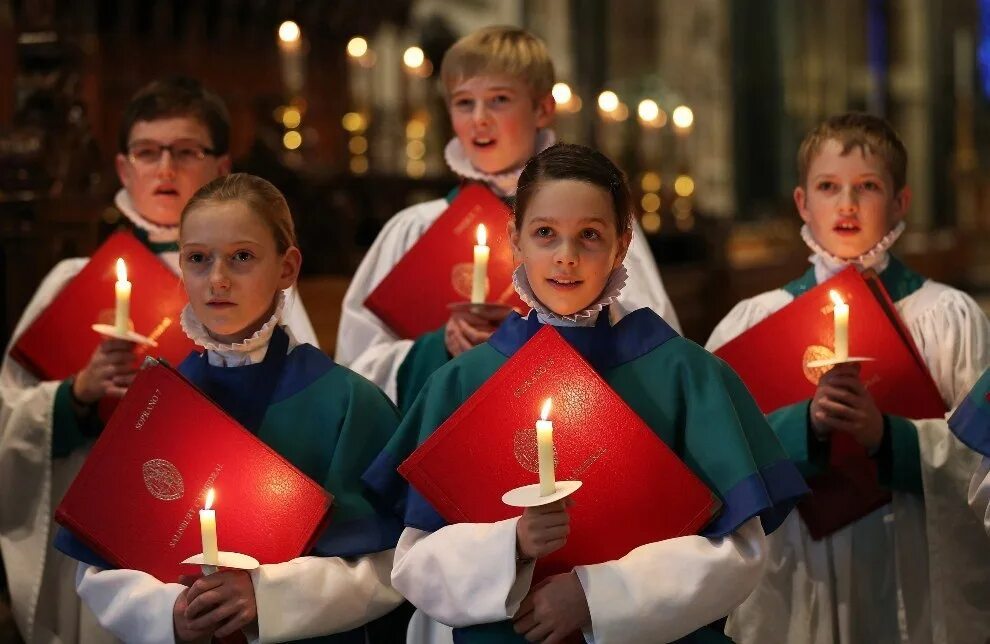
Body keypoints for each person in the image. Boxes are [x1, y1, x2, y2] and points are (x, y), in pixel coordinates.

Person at [364, 143, 807, 643]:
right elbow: (416, 560)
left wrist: (596, 596)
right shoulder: (462, 382)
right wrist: (512, 544)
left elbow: (739, 550)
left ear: (623, 242)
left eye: (589, 236)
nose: (566, 257)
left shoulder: (685, 373)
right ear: (515, 239)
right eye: (545, 233)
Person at [0, 78, 317, 644]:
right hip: (112, 533)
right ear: (124, 169)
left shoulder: (257, 281)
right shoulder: (74, 278)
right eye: (149, 152)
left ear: (221, 164)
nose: (166, 168)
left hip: (230, 518)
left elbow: (305, 402)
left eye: (186, 151)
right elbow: (9, 415)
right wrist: (75, 394)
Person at [61, 173, 404, 642]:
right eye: (198, 259)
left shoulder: (348, 402)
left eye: (242, 257)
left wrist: (266, 596)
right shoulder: (156, 404)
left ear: (287, 268)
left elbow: (392, 564)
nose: (217, 279)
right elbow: (99, 563)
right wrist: (168, 612)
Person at [707, 113, 990, 643]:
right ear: (801, 203)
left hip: (908, 562)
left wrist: (890, 439)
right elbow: (714, 457)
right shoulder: (752, 321)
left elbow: (983, 458)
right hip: (796, 567)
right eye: (828, 187)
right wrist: (805, 427)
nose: (847, 204)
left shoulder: (949, 316)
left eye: (868, 187)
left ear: (901, 202)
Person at [335, 26, 679, 410]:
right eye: (464, 103)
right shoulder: (413, 228)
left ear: (543, 108)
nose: (480, 119)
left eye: (499, 100)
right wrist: (440, 346)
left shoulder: (595, 222)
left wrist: (538, 335)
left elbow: (654, 347)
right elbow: (356, 370)